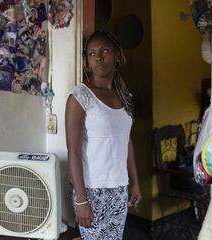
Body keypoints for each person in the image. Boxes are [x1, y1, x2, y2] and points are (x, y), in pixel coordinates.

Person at [65, 30, 141, 239]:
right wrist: (81, 200)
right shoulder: (80, 97)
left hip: (118, 188)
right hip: (92, 190)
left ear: (117, 56)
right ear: (87, 61)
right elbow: (73, 151)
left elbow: (127, 141)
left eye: (104, 51)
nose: (98, 57)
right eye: (91, 53)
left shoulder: (124, 97)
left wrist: (134, 181)